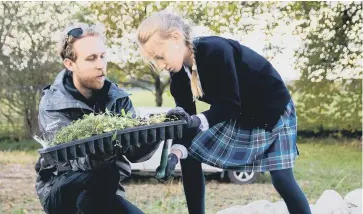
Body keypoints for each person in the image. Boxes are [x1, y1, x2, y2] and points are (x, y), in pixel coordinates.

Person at [136, 11, 311, 214]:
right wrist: (175, 153)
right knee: (189, 155)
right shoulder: (178, 75)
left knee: (282, 179)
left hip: (274, 111)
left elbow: (229, 104)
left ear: (175, 37)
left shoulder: (214, 51)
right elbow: (187, 118)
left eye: (159, 56)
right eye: (154, 61)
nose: (159, 65)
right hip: (242, 114)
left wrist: (196, 121)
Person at [35, 22, 158, 214]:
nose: (100, 65)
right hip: (61, 191)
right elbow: (72, 160)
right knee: (104, 174)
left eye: (102, 56)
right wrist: (104, 146)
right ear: (70, 64)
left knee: (106, 178)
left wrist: (154, 132)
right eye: (91, 59)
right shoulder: (52, 104)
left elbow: (135, 152)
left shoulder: (118, 98)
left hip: (105, 189)